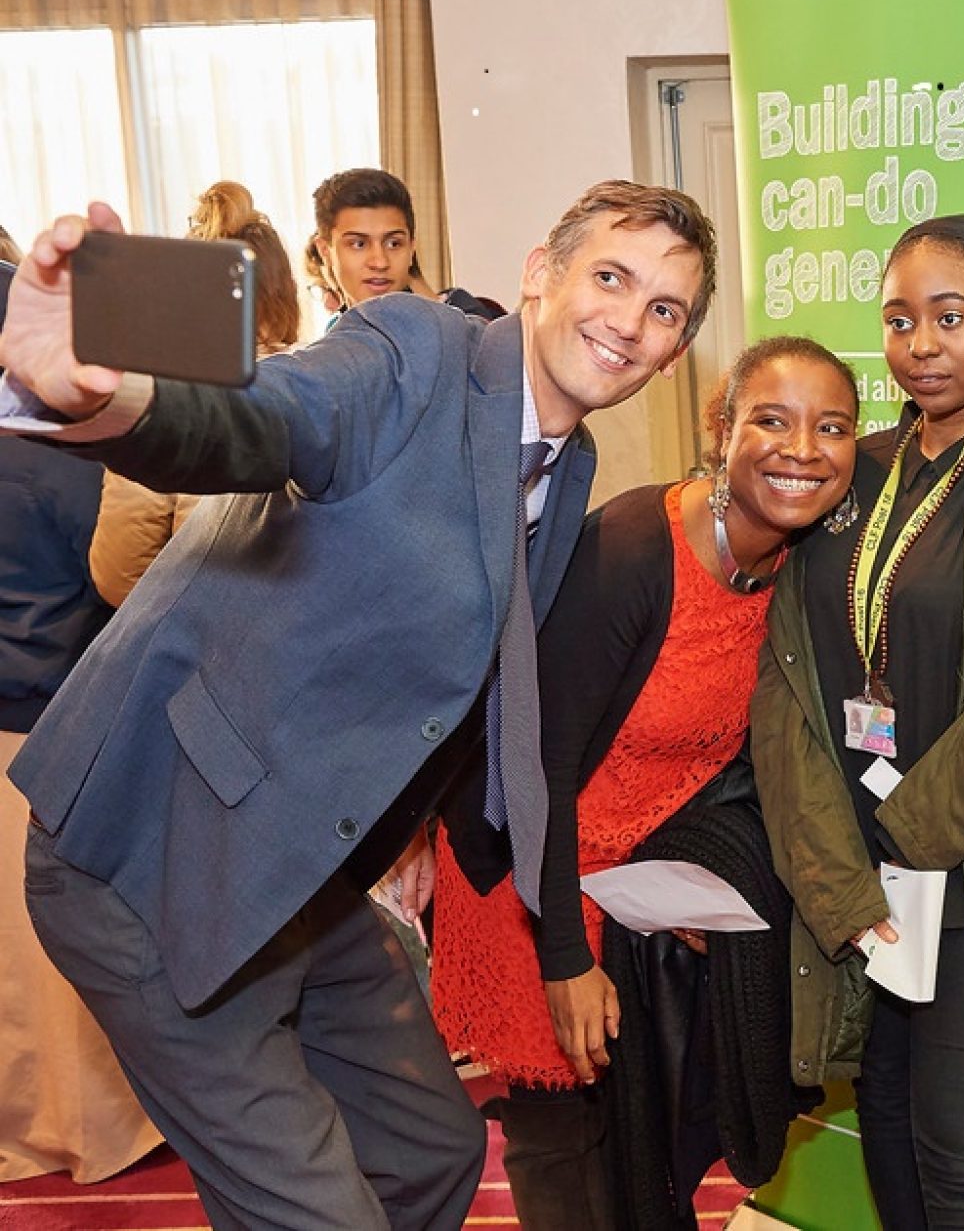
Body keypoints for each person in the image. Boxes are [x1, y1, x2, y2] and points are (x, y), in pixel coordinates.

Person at [0, 178, 718, 1229]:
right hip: (151, 846)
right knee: (318, 1213)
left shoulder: (570, 464)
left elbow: (471, 668)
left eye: (664, 309)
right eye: (610, 277)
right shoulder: (411, 350)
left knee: (432, 1149)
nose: (627, 320)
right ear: (539, 274)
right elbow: (269, 416)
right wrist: (106, 399)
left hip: (307, 866)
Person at [427, 336, 860, 1229]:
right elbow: (535, 762)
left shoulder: (801, 565)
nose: (801, 450)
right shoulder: (634, 550)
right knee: (560, 1133)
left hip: (642, 883)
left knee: (641, 1133)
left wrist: (700, 891)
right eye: (770, 421)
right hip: (532, 874)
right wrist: (565, 957)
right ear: (721, 430)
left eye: (832, 428)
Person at [752, 214, 964, 1230]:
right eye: (899, 320)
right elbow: (786, 680)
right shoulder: (849, 468)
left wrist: (901, 835)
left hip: (963, 866)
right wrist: (838, 867)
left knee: (961, 1154)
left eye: (949, 316)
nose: (921, 343)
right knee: (889, 1134)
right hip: (853, 875)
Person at [0, 257, 163, 1184]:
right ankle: (102, 1127)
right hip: (62, 722)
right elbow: (114, 586)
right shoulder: (70, 452)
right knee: (73, 958)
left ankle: (24, 1129)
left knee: (14, 968)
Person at [90, 181, 303, 606]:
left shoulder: (163, 403)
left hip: (204, 643)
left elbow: (119, 573)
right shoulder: (323, 379)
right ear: (284, 290)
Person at [312, 166, 505, 321]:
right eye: (359, 244)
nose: (380, 262)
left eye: (394, 244)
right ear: (324, 251)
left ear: (412, 248)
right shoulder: (330, 349)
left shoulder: (462, 326)